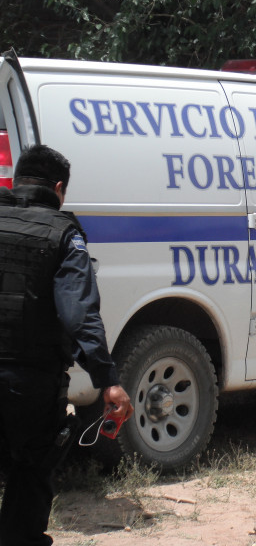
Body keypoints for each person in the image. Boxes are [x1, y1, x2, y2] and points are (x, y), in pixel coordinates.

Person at [0, 145, 133, 545]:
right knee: (29, 479)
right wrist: (107, 380)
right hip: (29, 388)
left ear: (17, 180)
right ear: (59, 189)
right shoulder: (63, 234)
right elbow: (78, 315)